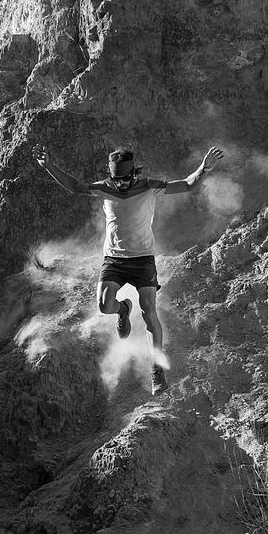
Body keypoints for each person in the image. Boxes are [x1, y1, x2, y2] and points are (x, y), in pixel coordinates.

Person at [31, 144, 224, 395]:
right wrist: (48, 166)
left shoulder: (149, 187)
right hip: (114, 260)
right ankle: (122, 309)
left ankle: (156, 369)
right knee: (104, 305)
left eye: (124, 178)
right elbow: (76, 187)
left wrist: (204, 167)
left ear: (134, 173)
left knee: (149, 311)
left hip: (143, 260)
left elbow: (187, 184)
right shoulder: (104, 187)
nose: (120, 184)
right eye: (116, 179)